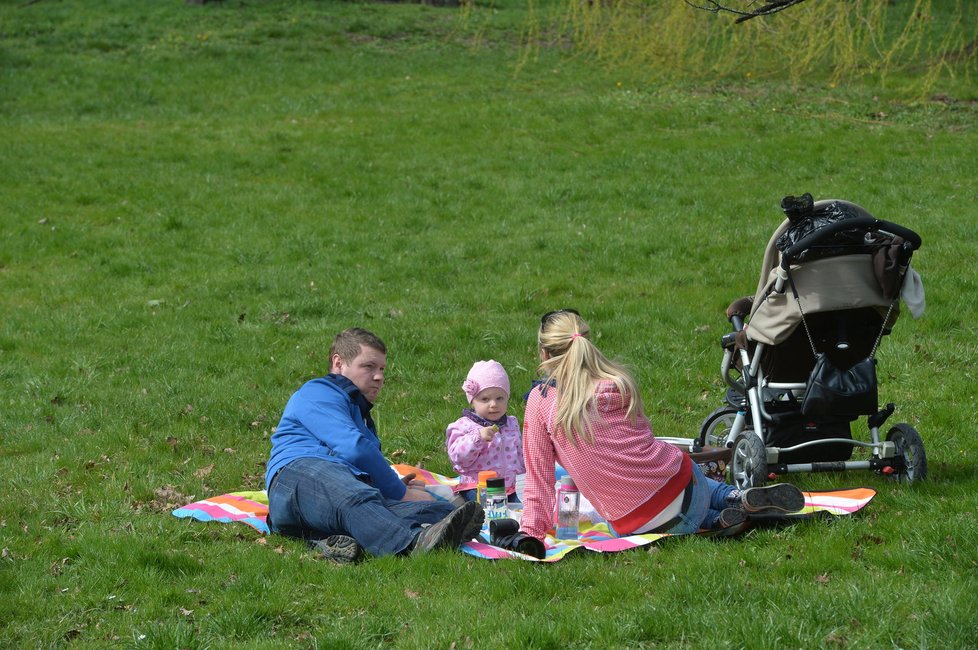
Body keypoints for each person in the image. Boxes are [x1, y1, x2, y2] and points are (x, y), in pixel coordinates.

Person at [519, 310, 805, 542]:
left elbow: (538, 477)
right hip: (686, 487)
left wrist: (530, 533)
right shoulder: (618, 382)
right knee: (685, 485)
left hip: (636, 524)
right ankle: (735, 497)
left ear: (545, 355)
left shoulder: (541, 401)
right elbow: (643, 441)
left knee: (666, 514)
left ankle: (717, 521)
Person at [265, 328, 484, 562]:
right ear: (338, 363)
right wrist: (400, 493)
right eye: (368, 367)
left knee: (444, 512)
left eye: (381, 369)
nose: (379, 376)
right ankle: (413, 543)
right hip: (296, 479)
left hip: (330, 500)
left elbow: (357, 469)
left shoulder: (359, 414)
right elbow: (355, 449)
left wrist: (391, 486)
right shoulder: (317, 391)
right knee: (357, 498)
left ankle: (329, 541)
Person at [446, 360, 526, 503]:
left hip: (508, 488)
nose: (493, 404)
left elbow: (519, 452)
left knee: (520, 516)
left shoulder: (510, 423)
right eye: (485, 399)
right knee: (489, 516)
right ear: (472, 401)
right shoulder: (465, 426)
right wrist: (477, 438)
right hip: (476, 488)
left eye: (499, 398)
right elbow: (458, 457)